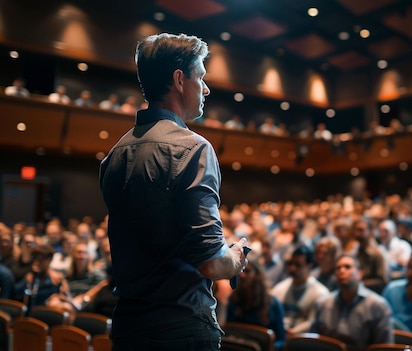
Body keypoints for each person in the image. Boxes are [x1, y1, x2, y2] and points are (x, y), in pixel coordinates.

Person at [99, 33, 248, 351]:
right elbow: (210, 263)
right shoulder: (193, 149)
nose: (206, 88)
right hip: (180, 330)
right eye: (201, 77)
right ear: (180, 79)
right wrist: (235, 257)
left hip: (127, 328)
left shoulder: (115, 153)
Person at [311, 254, 393, 351]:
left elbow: (384, 348)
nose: (341, 271)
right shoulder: (322, 304)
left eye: (347, 267)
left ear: (360, 273)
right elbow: (313, 343)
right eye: (338, 268)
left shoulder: (377, 306)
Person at [227, 260, 286, 351]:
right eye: (240, 271)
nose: (242, 275)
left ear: (257, 275)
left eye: (247, 271)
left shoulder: (273, 304)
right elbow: (228, 330)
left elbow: (281, 340)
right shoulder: (234, 299)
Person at [271, 245, 329, 335]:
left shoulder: (320, 293)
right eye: (291, 264)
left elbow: (313, 323)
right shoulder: (279, 289)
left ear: (309, 266)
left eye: (298, 265)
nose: (292, 268)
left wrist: (293, 332)